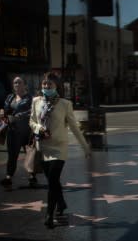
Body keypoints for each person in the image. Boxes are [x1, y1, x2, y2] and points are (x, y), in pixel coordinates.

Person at [29, 72, 92, 228]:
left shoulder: (65, 104)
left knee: (52, 182)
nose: (46, 86)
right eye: (44, 83)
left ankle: (49, 214)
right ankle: (62, 203)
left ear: (56, 86)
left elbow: (74, 128)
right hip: (42, 147)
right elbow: (32, 121)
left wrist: (85, 146)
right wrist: (39, 128)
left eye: (49, 84)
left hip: (59, 148)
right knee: (53, 181)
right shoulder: (36, 101)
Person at [0, 76, 36, 189]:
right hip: (13, 131)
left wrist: (21, 115)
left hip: (27, 131)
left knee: (30, 155)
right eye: (15, 83)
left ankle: (32, 176)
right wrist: (2, 114)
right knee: (12, 155)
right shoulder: (10, 97)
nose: (16, 85)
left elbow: (33, 111)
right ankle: (9, 177)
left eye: (19, 83)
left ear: (25, 85)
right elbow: (5, 110)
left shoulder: (30, 98)